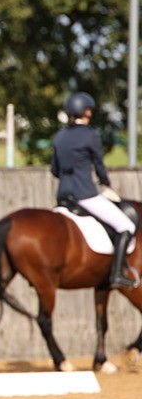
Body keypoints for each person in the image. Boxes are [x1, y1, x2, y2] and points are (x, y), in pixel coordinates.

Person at [50, 92, 139, 289]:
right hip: (85, 195)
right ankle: (117, 274)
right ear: (87, 112)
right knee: (126, 226)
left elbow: (55, 170)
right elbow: (99, 166)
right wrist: (105, 182)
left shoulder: (59, 136)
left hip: (63, 196)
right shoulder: (90, 135)